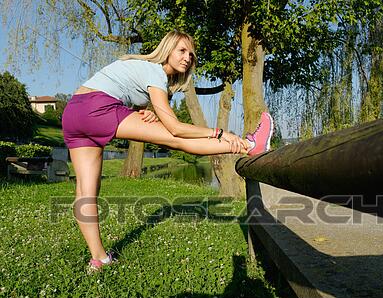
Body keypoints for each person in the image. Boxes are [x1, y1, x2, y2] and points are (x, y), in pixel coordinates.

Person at [61, 30, 273, 272]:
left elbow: (136, 102)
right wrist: (220, 133)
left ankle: (99, 259)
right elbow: (175, 128)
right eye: (181, 50)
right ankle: (248, 145)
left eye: (191, 55)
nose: (187, 58)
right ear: (167, 49)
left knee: (86, 192)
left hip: (73, 112)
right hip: (98, 107)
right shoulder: (155, 72)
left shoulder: (144, 71)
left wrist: (147, 110)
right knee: (177, 140)